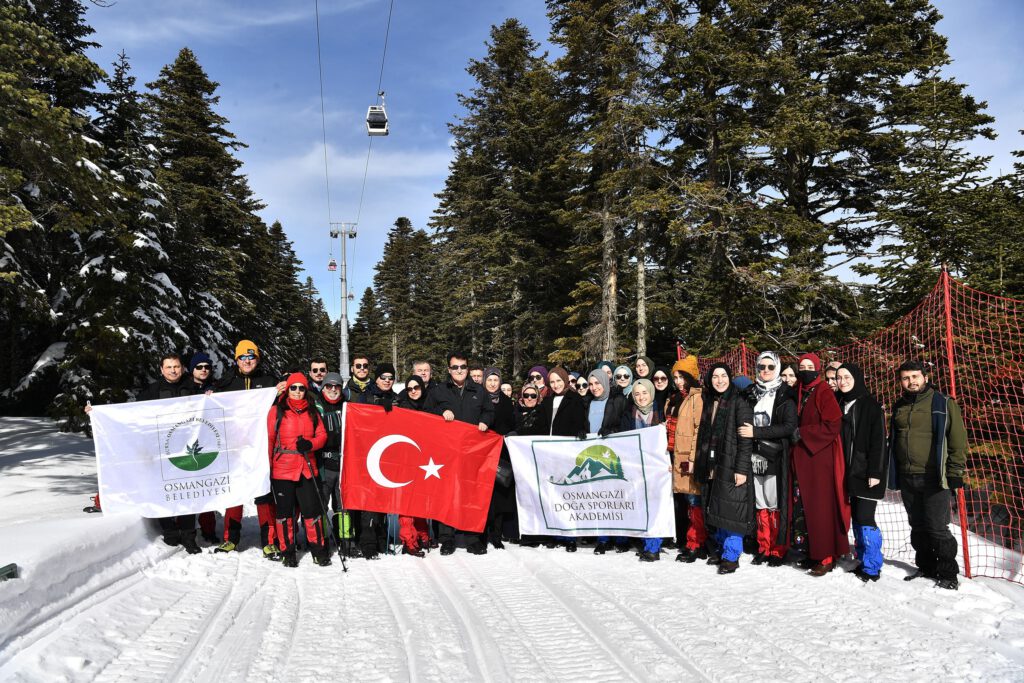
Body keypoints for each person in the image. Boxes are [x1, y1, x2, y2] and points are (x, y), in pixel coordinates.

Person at [890, 360, 967, 590]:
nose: (911, 382)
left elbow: (958, 440)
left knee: (937, 527)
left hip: (934, 476)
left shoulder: (942, 403)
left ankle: (948, 574)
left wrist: (955, 471)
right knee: (918, 525)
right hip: (907, 475)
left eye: (915, 376)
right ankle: (926, 566)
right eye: (905, 378)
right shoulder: (899, 405)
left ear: (925, 377)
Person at [214, 340, 285, 556]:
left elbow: (283, 407)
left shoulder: (268, 381)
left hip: (260, 448)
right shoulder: (225, 384)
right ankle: (230, 539)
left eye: (251, 357)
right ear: (236, 359)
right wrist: (209, 398)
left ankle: (269, 541)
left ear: (258, 359)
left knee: (263, 493)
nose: (247, 361)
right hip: (234, 448)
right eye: (243, 357)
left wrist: (282, 391)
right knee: (234, 492)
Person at [792, 353, 850, 576]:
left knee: (821, 508)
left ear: (817, 369)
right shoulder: (800, 390)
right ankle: (812, 552)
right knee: (806, 507)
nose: (805, 370)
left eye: (810, 366)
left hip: (819, 459)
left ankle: (827, 556)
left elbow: (833, 424)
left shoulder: (823, 391)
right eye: (802, 366)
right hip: (803, 458)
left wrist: (804, 434)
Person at [137, 354, 202, 554]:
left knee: (187, 490)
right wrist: (95, 412)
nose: (173, 370)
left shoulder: (193, 387)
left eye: (176, 366)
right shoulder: (152, 391)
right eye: (169, 367)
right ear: (161, 369)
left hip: (187, 448)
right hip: (162, 450)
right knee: (165, 490)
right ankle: (170, 530)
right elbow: (130, 413)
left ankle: (189, 535)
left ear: (182, 368)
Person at [695, 363, 754, 574]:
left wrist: (741, 469)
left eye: (723, 376)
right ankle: (721, 549)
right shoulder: (710, 401)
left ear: (729, 377)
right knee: (717, 508)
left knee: (731, 510)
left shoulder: (740, 402)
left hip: (731, 465)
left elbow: (745, 441)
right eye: (715, 377)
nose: (719, 380)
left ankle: (731, 555)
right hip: (713, 464)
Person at [739, 351, 797, 567]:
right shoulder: (750, 393)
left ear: (778, 368)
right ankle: (764, 546)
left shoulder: (785, 394)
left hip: (775, 456)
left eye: (770, 367)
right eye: (761, 366)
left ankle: (777, 548)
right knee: (760, 502)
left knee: (774, 503)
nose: (765, 370)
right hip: (754, 456)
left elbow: (789, 427)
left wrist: (757, 433)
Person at [268, 373, 330, 567]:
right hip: (282, 469)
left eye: (301, 388)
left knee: (312, 512)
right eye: (293, 388)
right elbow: (269, 439)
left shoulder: (312, 411)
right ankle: (287, 551)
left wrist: (310, 444)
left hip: (306, 467)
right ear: (287, 390)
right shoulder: (276, 411)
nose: (297, 392)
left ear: (306, 390)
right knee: (285, 513)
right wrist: (267, 468)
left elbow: (322, 435)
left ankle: (318, 550)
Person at [835, 363, 888, 583]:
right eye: (839, 378)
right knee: (856, 516)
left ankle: (872, 565)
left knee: (866, 517)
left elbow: (879, 443)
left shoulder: (870, 405)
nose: (843, 381)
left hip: (866, 471)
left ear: (856, 378)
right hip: (844, 471)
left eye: (847, 377)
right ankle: (861, 557)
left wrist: (874, 471)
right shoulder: (838, 402)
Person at [438, 352, 494, 555]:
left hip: (472, 453)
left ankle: (473, 538)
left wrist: (485, 421)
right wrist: (440, 412)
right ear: (449, 369)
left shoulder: (478, 390)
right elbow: (426, 413)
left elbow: (489, 411)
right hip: (447, 453)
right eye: (455, 367)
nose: (459, 370)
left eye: (463, 367)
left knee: (472, 495)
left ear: (468, 369)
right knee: (447, 495)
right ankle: (447, 538)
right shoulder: (440, 390)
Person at [526, 366, 587, 552]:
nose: (556, 384)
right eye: (552, 382)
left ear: (565, 381)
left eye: (559, 381)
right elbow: (539, 425)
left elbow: (581, 421)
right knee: (552, 494)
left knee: (568, 494)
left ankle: (570, 536)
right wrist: (518, 434)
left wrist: (581, 431)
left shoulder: (575, 399)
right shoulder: (548, 400)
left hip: (567, 452)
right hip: (549, 453)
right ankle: (554, 532)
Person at [349, 362, 399, 558]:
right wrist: (377, 406)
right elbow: (360, 415)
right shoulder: (367, 394)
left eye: (390, 378)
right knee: (369, 500)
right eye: (383, 377)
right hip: (368, 453)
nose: (387, 381)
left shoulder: (395, 398)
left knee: (383, 498)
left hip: (388, 454)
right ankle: (367, 541)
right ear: (376, 378)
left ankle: (381, 537)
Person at [395, 375, 442, 556]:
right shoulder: (400, 406)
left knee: (422, 498)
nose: (413, 391)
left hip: (425, 459)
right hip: (406, 458)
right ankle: (408, 539)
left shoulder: (430, 405)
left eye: (417, 388)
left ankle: (422, 534)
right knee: (407, 502)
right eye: (409, 388)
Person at [620, 379, 666, 562]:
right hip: (636, 468)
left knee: (655, 505)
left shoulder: (661, 411)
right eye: (637, 394)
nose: (641, 397)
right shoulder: (627, 415)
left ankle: (653, 546)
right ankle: (643, 538)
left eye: (644, 393)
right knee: (641, 505)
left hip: (657, 469)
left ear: (651, 393)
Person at [667, 356, 706, 563]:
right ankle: (689, 540)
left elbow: (698, 430)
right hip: (675, 456)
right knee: (686, 502)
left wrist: (692, 457)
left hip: (687, 459)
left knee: (694, 501)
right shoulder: (675, 397)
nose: (678, 381)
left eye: (681, 376)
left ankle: (696, 543)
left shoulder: (696, 398)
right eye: (675, 377)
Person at [315, 372, 350, 555]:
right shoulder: (317, 406)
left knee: (343, 505)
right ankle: (321, 539)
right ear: (323, 387)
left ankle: (344, 539)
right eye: (329, 386)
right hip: (323, 465)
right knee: (321, 505)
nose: (333, 390)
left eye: (337, 386)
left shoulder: (348, 405)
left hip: (344, 464)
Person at [483, 368, 518, 549]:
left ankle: (496, 534)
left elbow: (512, 423)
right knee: (483, 495)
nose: (493, 383)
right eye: (489, 380)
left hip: (501, 453)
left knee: (500, 495)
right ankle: (483, 532)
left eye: (496, 380)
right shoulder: (479, 399)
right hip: (482, 453)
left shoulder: (506, 402)